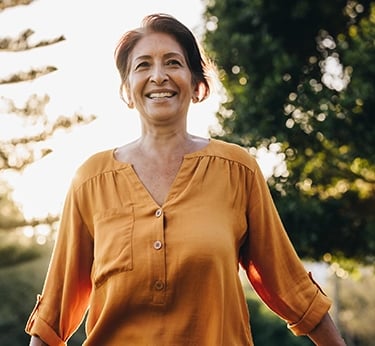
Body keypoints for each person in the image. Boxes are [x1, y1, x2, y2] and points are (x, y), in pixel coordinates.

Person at [26, 13, 346, 346]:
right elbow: (53, 315)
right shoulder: (91, 180)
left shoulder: (238, 170)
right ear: (126, 89)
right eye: (143, 65)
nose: (159, 76)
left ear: (197, 84)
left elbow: (291, 288)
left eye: (173, 63)